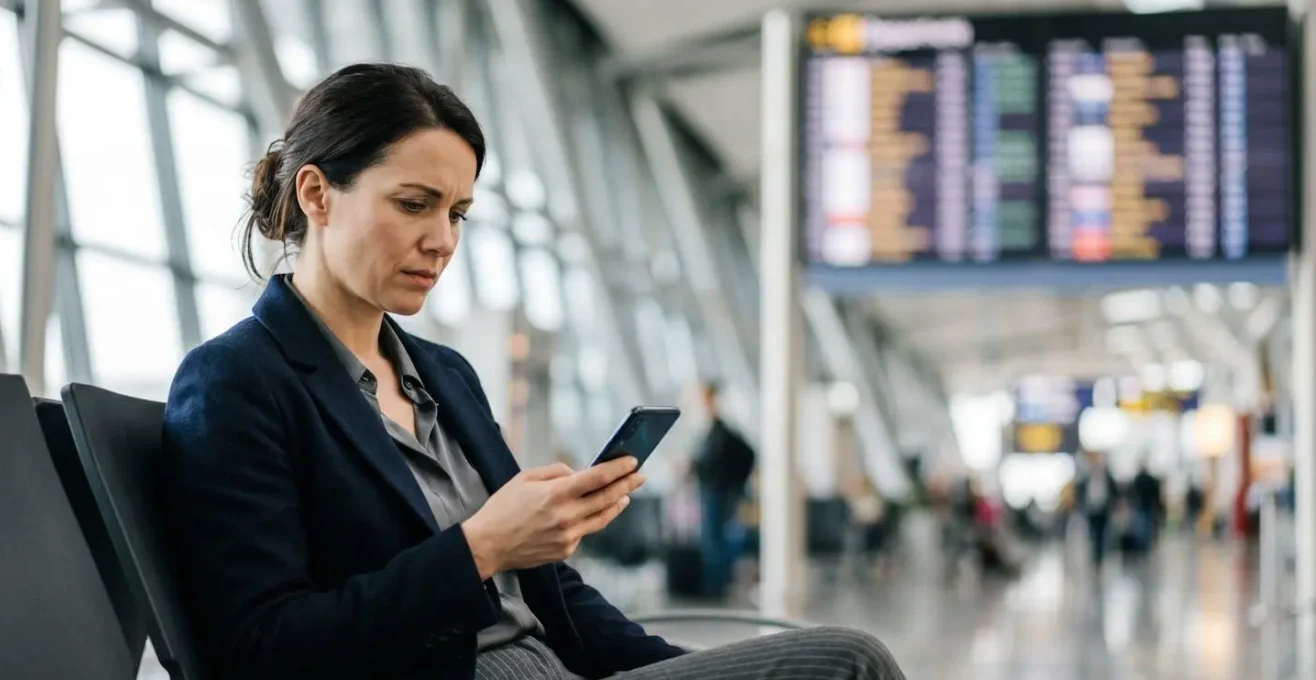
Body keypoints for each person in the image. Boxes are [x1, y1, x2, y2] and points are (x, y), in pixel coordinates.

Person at [161, 64, 904, 680]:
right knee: (851, 661)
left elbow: (551, 596)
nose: (442, 240)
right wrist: (482, 546)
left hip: (554, 667)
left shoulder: (444, 376)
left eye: (458, 213)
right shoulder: (237, 381)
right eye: (414, 204)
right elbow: (262, 650)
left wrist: (698, 670)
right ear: (317, 194)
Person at [690, 383, 756, 599]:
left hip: (718, 494)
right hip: (712, 493)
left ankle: (715, 587)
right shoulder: (710, 433)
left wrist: (736, 484)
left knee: (715, 542)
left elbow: (747, 455)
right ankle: (714, 585)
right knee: (712, 541)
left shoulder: (722, 433)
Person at [1076, 450, 1118, 567]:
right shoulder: (1087, 479)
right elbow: (1081, 494)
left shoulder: (1107, 478)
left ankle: (1099, 557)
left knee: (1101, 533)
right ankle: (1095, 555)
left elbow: (1114, 491)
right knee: (1093, 533)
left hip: (1103, 509)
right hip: (1091, 509)